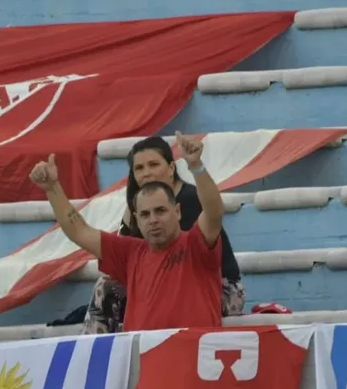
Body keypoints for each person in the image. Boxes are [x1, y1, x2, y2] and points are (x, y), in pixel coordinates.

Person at [29, 132, 225, 332]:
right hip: (142, 359)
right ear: (137, 220)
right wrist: (52, 188)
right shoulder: (131, 253)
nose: (153, 220)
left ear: (178, 212)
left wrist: (196, 167)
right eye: (145, 215)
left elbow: (214, 211)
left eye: (160, 211)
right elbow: (78, 231)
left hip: (190, 356)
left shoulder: (196, 245)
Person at [83, 135, 245, 334]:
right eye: (139, 168)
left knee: (117, 287)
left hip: (221, 287)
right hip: (167, 283)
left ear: (171, 168)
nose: (147, 173)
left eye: (153, 165)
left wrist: (196, 166)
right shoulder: (137, 205)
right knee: (107, 285)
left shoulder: (189, 199)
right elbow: (128, 259)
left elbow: (177, 261)